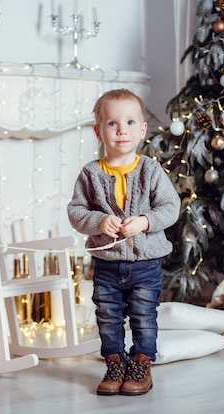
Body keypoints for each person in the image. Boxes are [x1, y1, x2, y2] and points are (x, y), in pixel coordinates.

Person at [67, 89, 180, 396]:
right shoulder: (90, 174)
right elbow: (76, 212)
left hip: (146, 264)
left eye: (130, 122)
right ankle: (115, 363)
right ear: (98, 130)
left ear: (143, 129)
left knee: (144, 315)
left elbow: (171, 208)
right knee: (108, 316)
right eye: (112, 123)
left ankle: (141, 364)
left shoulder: (150, 170)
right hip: (107, 264)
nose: (122, 130)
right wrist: (100, 221)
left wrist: (144, 222)